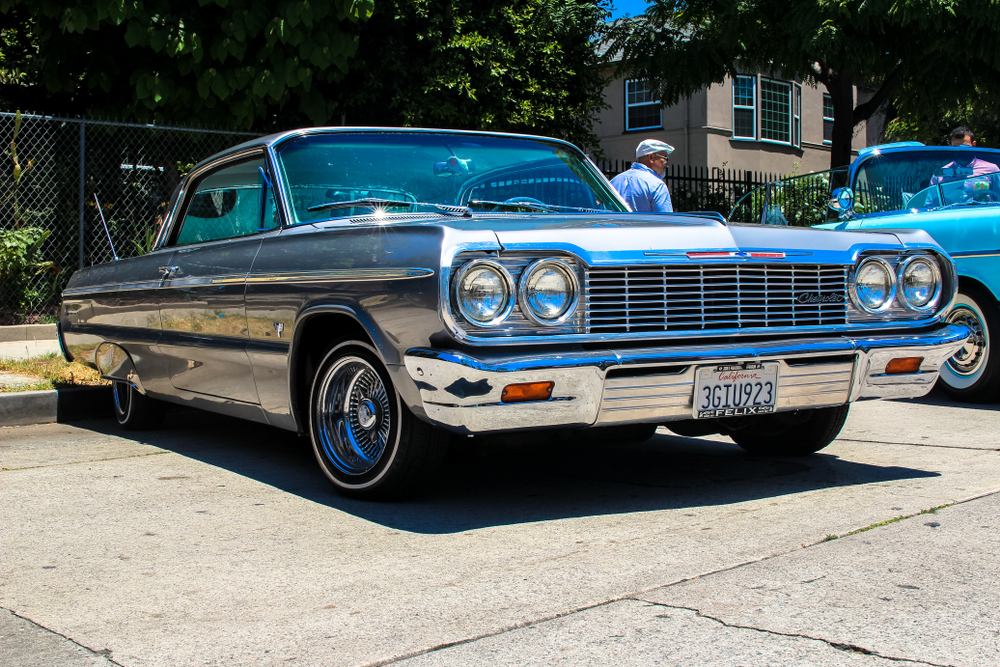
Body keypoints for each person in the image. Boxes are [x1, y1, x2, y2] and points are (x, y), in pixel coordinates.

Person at [610, 139, 674, 212]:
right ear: (651, 157)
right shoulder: (657, 185)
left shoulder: (613, 182)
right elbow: (665, 220)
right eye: (665, 159)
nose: (667, 164)